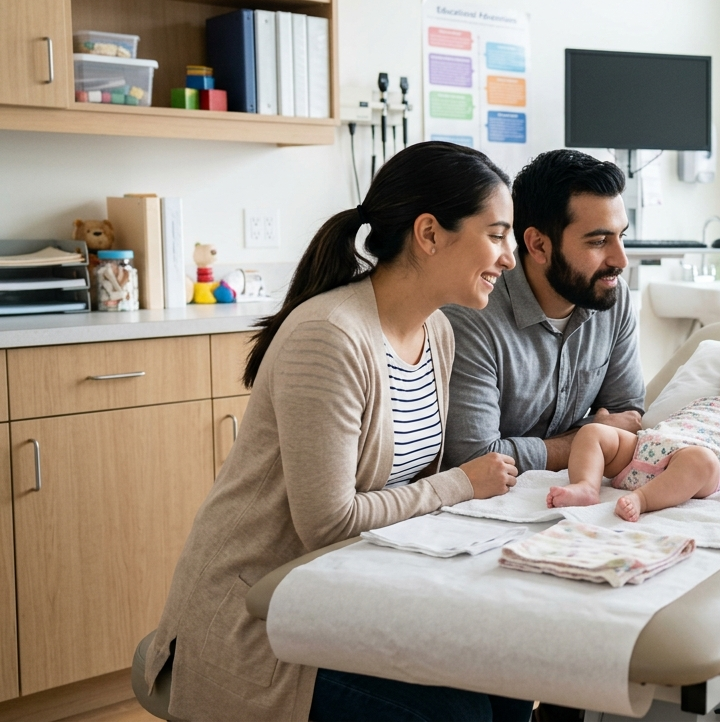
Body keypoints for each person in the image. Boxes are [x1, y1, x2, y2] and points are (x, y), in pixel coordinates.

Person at [143, 142, 532, 722]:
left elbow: (408, 501)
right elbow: (329, 523)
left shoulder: (438, 335)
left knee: (507, 677)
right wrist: (461, 484)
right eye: (497, 234)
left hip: (341, 596)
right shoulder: (331, 336)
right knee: (460, 713)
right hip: (256, 624)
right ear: (429, 234)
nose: (509, 257)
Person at [441, 149, 645, 475]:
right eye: (598, 242)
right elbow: (475, 458)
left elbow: (628, 417)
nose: (621, 260)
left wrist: (579, 440)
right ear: (538, 245)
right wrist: (587, 439)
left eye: (621, 236)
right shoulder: (472, 319)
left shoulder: (611, 296)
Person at [548, 343, 720, 521]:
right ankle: (586, 486)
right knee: (593, 431)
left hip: (695, 469)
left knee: (702, 459)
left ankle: (642, 499)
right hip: (644, 450)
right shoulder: (704, 401)